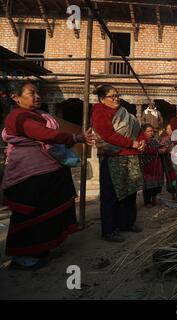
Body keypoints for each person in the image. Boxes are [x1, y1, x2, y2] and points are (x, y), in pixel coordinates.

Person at [1, 81, 95, 269]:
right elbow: (43, 134)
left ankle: (41, 248)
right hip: (29, 174)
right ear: (15, 97)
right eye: (31, 93)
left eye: (38, 93)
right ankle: (22, 256)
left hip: (48, 172)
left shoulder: (40, 115)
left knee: (49, 210)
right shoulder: (18, 117)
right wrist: (76, 137)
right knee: (29, 214)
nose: (37, 96)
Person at [91, 85, 145, 243]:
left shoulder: (125, 113)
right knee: (111, 194)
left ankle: (127, 223)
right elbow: (108, 135)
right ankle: (109, 230)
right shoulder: (99, 112)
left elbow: (137, 129)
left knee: (130, 192)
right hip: (113, 158)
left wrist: (142, 142)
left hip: (131, 156)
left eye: (117, 95)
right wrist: (132, 143)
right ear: (102, 99)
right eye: (111, 96)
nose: (116, 98)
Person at [140, 124, 164, 207]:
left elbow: (159, 147)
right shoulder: (142, 140)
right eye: (149, 131)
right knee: (147, 183)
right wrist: (158, 151)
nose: (151, 132)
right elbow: (145, 150)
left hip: (156, 164)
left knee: (156, 183)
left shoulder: (154, 140)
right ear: (144, 132)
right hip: (147, 164)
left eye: (152, 131)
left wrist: (163, 149)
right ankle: (147, 201)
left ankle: (154, 198)